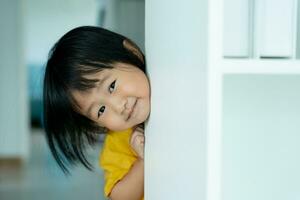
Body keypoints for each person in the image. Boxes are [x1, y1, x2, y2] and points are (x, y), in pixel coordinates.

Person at [43, 26, 150, 200]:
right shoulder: (117, 140)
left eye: (112, 86)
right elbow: (119, 197)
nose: (117, 106)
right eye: (101, 110)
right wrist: (143, 161)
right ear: (97, 124)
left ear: (132, 53)